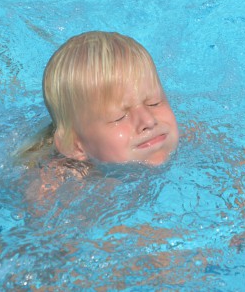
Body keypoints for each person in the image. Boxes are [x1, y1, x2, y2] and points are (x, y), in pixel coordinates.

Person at [20, 31, 179, 202]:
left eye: (154, 102)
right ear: (76, 146)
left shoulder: (195, 136)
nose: (149, 121)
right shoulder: (54, 188)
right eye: (118, 117)